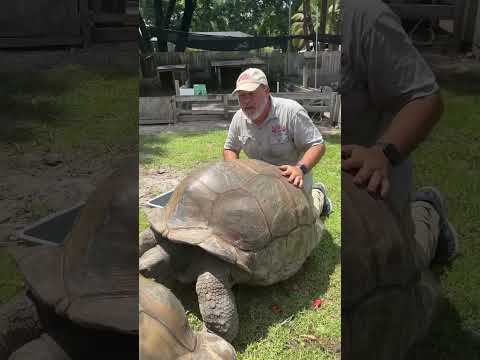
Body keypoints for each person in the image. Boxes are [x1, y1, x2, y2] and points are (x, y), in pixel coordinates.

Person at [340, 0, 458, 270]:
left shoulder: (365, 17)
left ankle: (427, 213)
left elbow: (425, 99)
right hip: (337, 194)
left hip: (373, 190)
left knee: (399, 280)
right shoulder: (298, 22)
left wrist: (383, 152)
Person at [224, 67, 332, 217]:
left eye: (251, 94)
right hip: (260, 182)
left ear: (266, 91)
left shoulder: (291, 112)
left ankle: (318, 195)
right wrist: (235, 169)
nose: (246, 101)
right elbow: (230, 148)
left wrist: (299, 169)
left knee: (303, 220)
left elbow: (317, 145)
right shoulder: (238, 118)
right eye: (241, 96)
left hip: (294, 180)